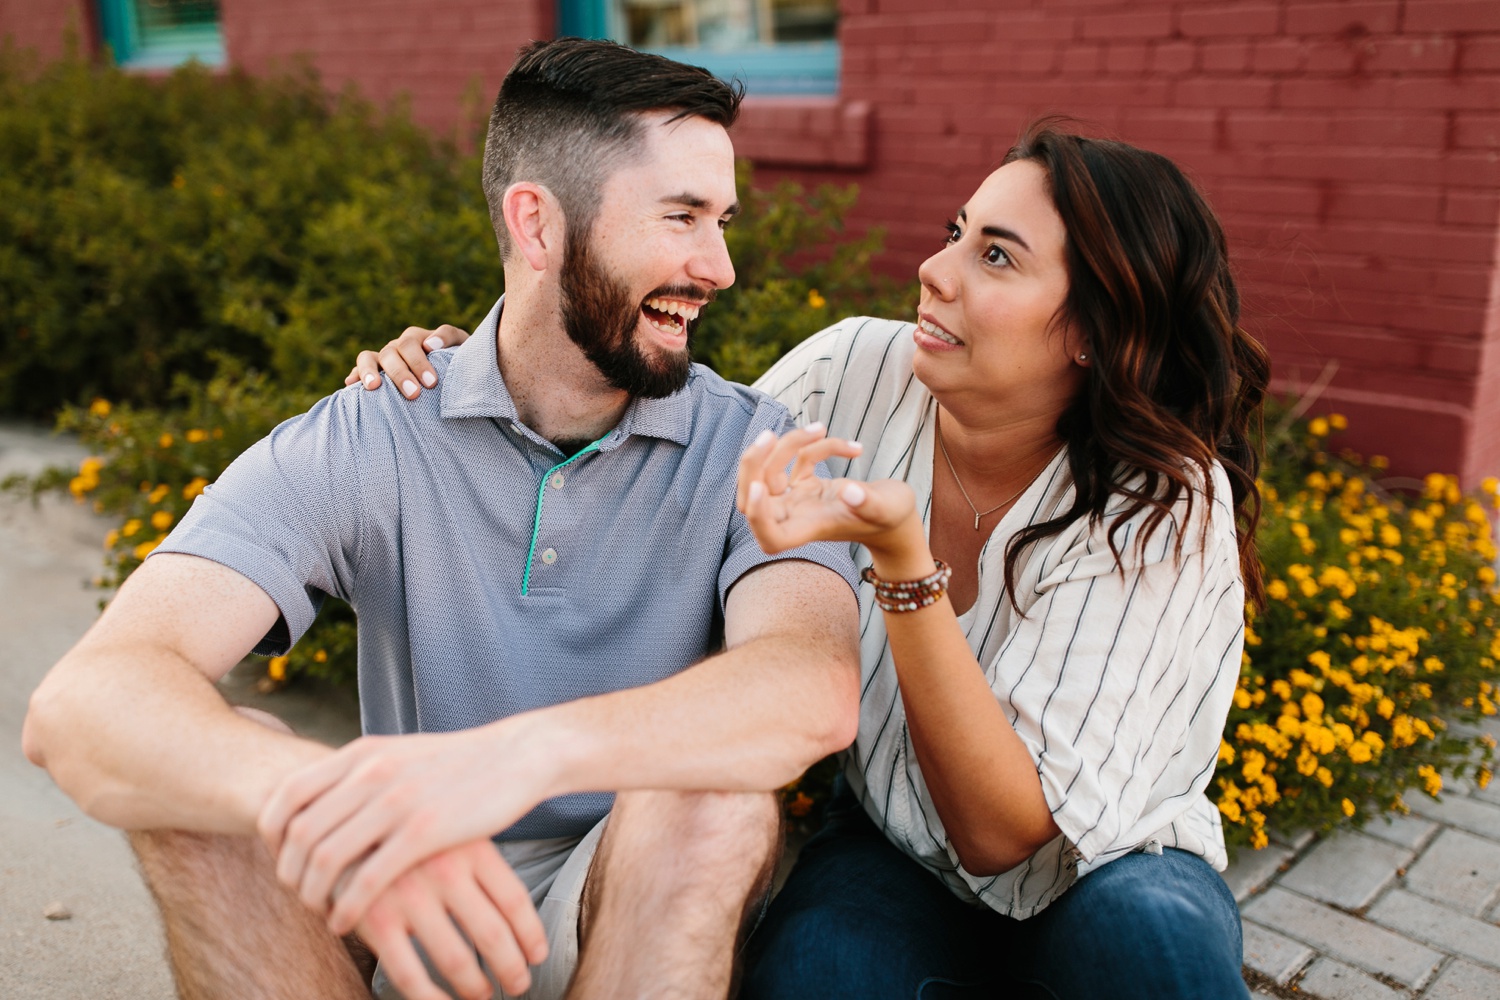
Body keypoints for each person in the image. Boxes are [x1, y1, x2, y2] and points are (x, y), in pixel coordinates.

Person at [22, 38, 862, 1000]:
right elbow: (84, 702)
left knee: (710, 793)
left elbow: (811, 684)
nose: (719, 267)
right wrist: (322, 803)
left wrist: (514, 759)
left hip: (624, 896)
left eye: (722, 222)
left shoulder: (755, 447)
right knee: (204, 777)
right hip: (396, 898)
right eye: (681, 218)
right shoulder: (376, 432)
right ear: (537, 224)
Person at [356, 119, 1269, 998]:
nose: (934, 270)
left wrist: (902, 562)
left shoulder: (1162, 499)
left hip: (1109, 867)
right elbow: (654, 477)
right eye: (955, 233)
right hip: (894, 847)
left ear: (1094, 331)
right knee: (814, 973)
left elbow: (1003, 835)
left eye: (995, 256)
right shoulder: (853, 371)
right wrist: (491, 372)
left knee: (1153, 948)